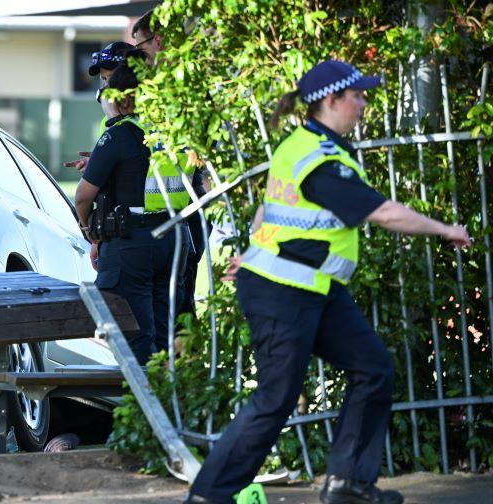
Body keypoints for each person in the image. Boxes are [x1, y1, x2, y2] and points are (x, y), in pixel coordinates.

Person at [185, 60, 471, 504]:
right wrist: (445, 229)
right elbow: (383, 213)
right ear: (332, 100)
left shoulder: (303, 145)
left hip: (315, 289)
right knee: (276, 398)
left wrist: (254, 249)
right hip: (283, 292)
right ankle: (208, 496)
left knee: (373, 367)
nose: (363, 103)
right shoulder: (319, 159)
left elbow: (268, 209)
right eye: (357, 95)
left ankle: (347, 484)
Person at [74, 59, 191, 364]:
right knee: (163, 334)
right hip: (174, 237)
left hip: (133, 242)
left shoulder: (120, 134)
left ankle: (145, 409)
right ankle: (169, 403)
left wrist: (89, 231)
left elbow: (83, 196)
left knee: (133, 336)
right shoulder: (175, 132)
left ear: (125, 98)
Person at [133, 7, 212, 321]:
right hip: (166, 215)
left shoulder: (183, 86)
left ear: (159, 41)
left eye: (141, 47)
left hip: (187, 211)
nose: (139, 56)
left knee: (180, 300)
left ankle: (182, 364)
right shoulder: (159, 87)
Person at [64, 41, 135, 173]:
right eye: (104, 79)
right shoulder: (106, 121)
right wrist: (100, 160)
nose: (106, 86)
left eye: (112, 77)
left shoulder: (150, 115)